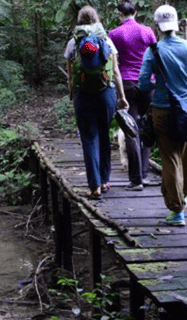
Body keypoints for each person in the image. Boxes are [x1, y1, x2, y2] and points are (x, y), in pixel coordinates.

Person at [139, 4, 187, 225]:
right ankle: (182, 198)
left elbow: (143, 84)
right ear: (177, 24)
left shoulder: (154, 51)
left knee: (171, 160)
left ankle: (177, 209)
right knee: (186, 159)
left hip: (164, 111)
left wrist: (158, 82)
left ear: (156, 25)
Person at [64, 5, 129, 199]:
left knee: (89, 138)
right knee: (103, 135)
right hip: (105, 93)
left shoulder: (73, 43)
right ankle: (105, 180)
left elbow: (70, 75)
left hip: (83, 95)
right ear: (96, 19)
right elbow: (116, 71)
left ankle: (94, 186)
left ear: (79, 21)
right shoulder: (106, 39)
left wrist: (72, 92)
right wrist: (122, 96)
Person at [108, 0, 157, 191]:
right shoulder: (148, 32)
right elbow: (156, 56)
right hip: (147, 83)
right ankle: (144, 174)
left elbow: (110, 60)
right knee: (145, 126)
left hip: (126, 84)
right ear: (136, 12)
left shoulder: (113, 34)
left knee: (130, 129)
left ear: (119, 14)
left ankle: (135, 179)